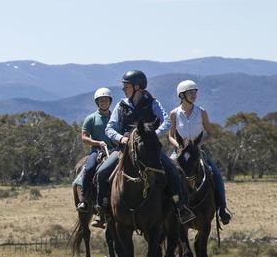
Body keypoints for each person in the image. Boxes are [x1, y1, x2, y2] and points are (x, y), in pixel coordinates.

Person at [91, 70, 196, 228]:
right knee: (101, 173)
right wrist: (122, 138)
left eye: (126, 86)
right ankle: (102, 211)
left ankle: (180, 207)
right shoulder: (121, 105)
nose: (124, 89)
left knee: (173, 170)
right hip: (125, 149)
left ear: (137, 87)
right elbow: (109, 128)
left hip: (150, 149)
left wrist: (152, 135)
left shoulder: (153, 102)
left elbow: (166, 121)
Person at [169, 80, 231, 225]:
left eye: (195, 92)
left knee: (215, 174)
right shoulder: (174, 114)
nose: (194, 95)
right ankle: (165, 210)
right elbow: (170, 135)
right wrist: (178, 145)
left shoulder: (201, 112)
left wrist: (198, 144)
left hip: (198, 151)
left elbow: (210, 134)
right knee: (167, 174)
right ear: (182, 95)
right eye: (191, 92)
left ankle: (222, 209)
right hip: (179, 152)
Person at [76, 87, 115, 213]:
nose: (104, 102)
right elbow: (84, 137)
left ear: (110, 101)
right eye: (101, 100)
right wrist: (97, 143)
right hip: (97, 151)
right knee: (89, 168)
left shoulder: (115, 117)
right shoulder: (91, 118)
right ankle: (84, 199)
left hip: (115, 151)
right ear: (97, 102)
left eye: (106, 100)